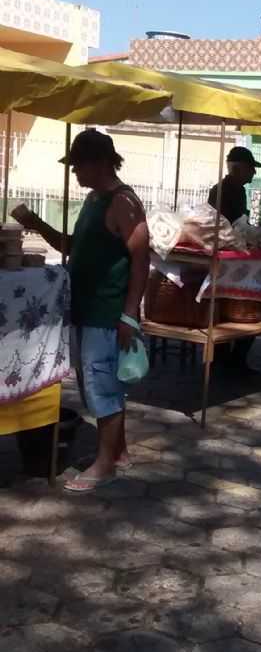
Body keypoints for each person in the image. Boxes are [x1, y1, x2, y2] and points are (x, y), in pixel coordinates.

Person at [12, 129, 150, 493]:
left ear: (102, 162)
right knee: (99, 386)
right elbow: (72, 246)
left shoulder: (123, 202)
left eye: (79, 166)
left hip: (107, 312)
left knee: (101, 386)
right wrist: (35, 223)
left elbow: (141, 259)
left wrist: (130, 314)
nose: (75, 173)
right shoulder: (94, 200)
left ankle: (104, 465)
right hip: (86, 308)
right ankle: (118, 452)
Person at [208, 145, 261, 373]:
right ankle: (232, 359)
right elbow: (231, 226)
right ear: (238, 168)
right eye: (251, 168)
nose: (254, 173)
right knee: (249, 301)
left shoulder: (228, 188)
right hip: (227, 256)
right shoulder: (228, 190)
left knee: (226, 304)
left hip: (228, 253)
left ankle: (227, 358)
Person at [208, 145, 261, 223]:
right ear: (236, 169)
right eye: (250, 167)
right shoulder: (220, 191)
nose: (254, 172)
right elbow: (229, 225)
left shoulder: (239, 189)